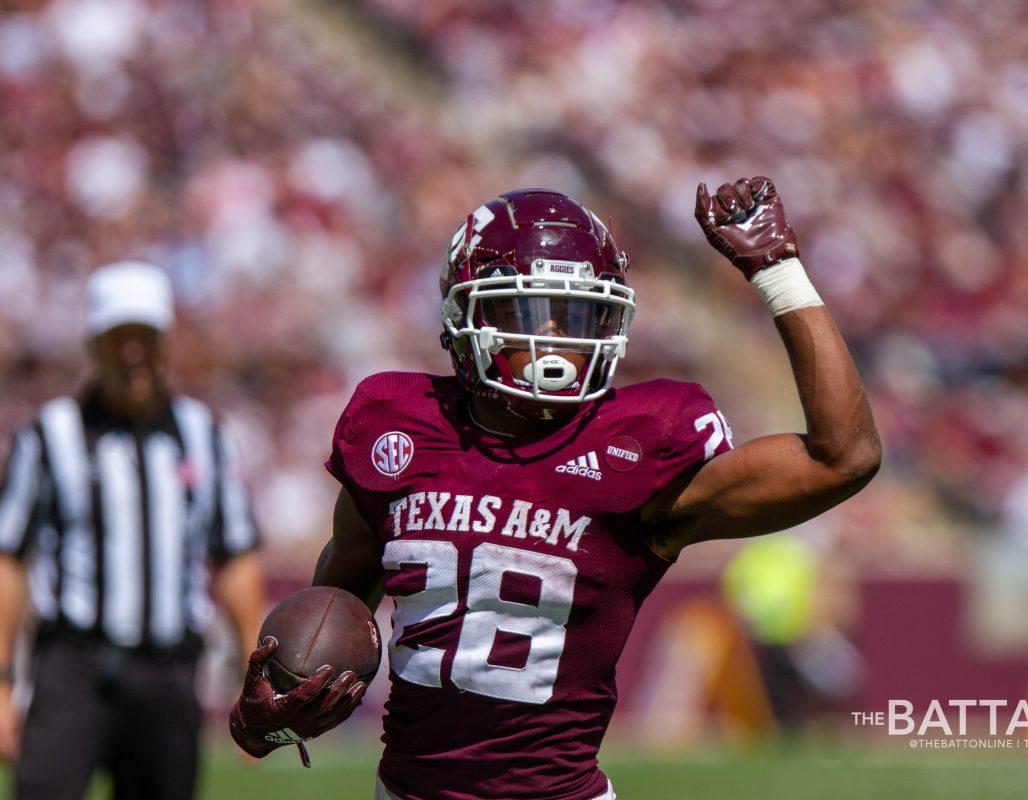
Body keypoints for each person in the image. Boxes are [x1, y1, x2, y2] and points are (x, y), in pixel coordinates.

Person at [229, 177, 881, 800]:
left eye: (575, 316)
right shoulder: (396, 422)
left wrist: (779, 271)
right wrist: (270, 713)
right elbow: (335, 610)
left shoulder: (638, 446)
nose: (554, 339)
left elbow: (843, 458)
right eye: (528, 312)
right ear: (466, 311)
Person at [0, 261, 265, 800]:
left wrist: (250, 673)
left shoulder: (204, 435)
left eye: (143, 336)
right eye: (118, 337)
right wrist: (1, 681)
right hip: (70, 669)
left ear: (166, 340)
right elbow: (8, 559)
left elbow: (234, 556)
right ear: (94, 344)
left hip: (168, 673)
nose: (132, 352)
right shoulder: (49, 437)